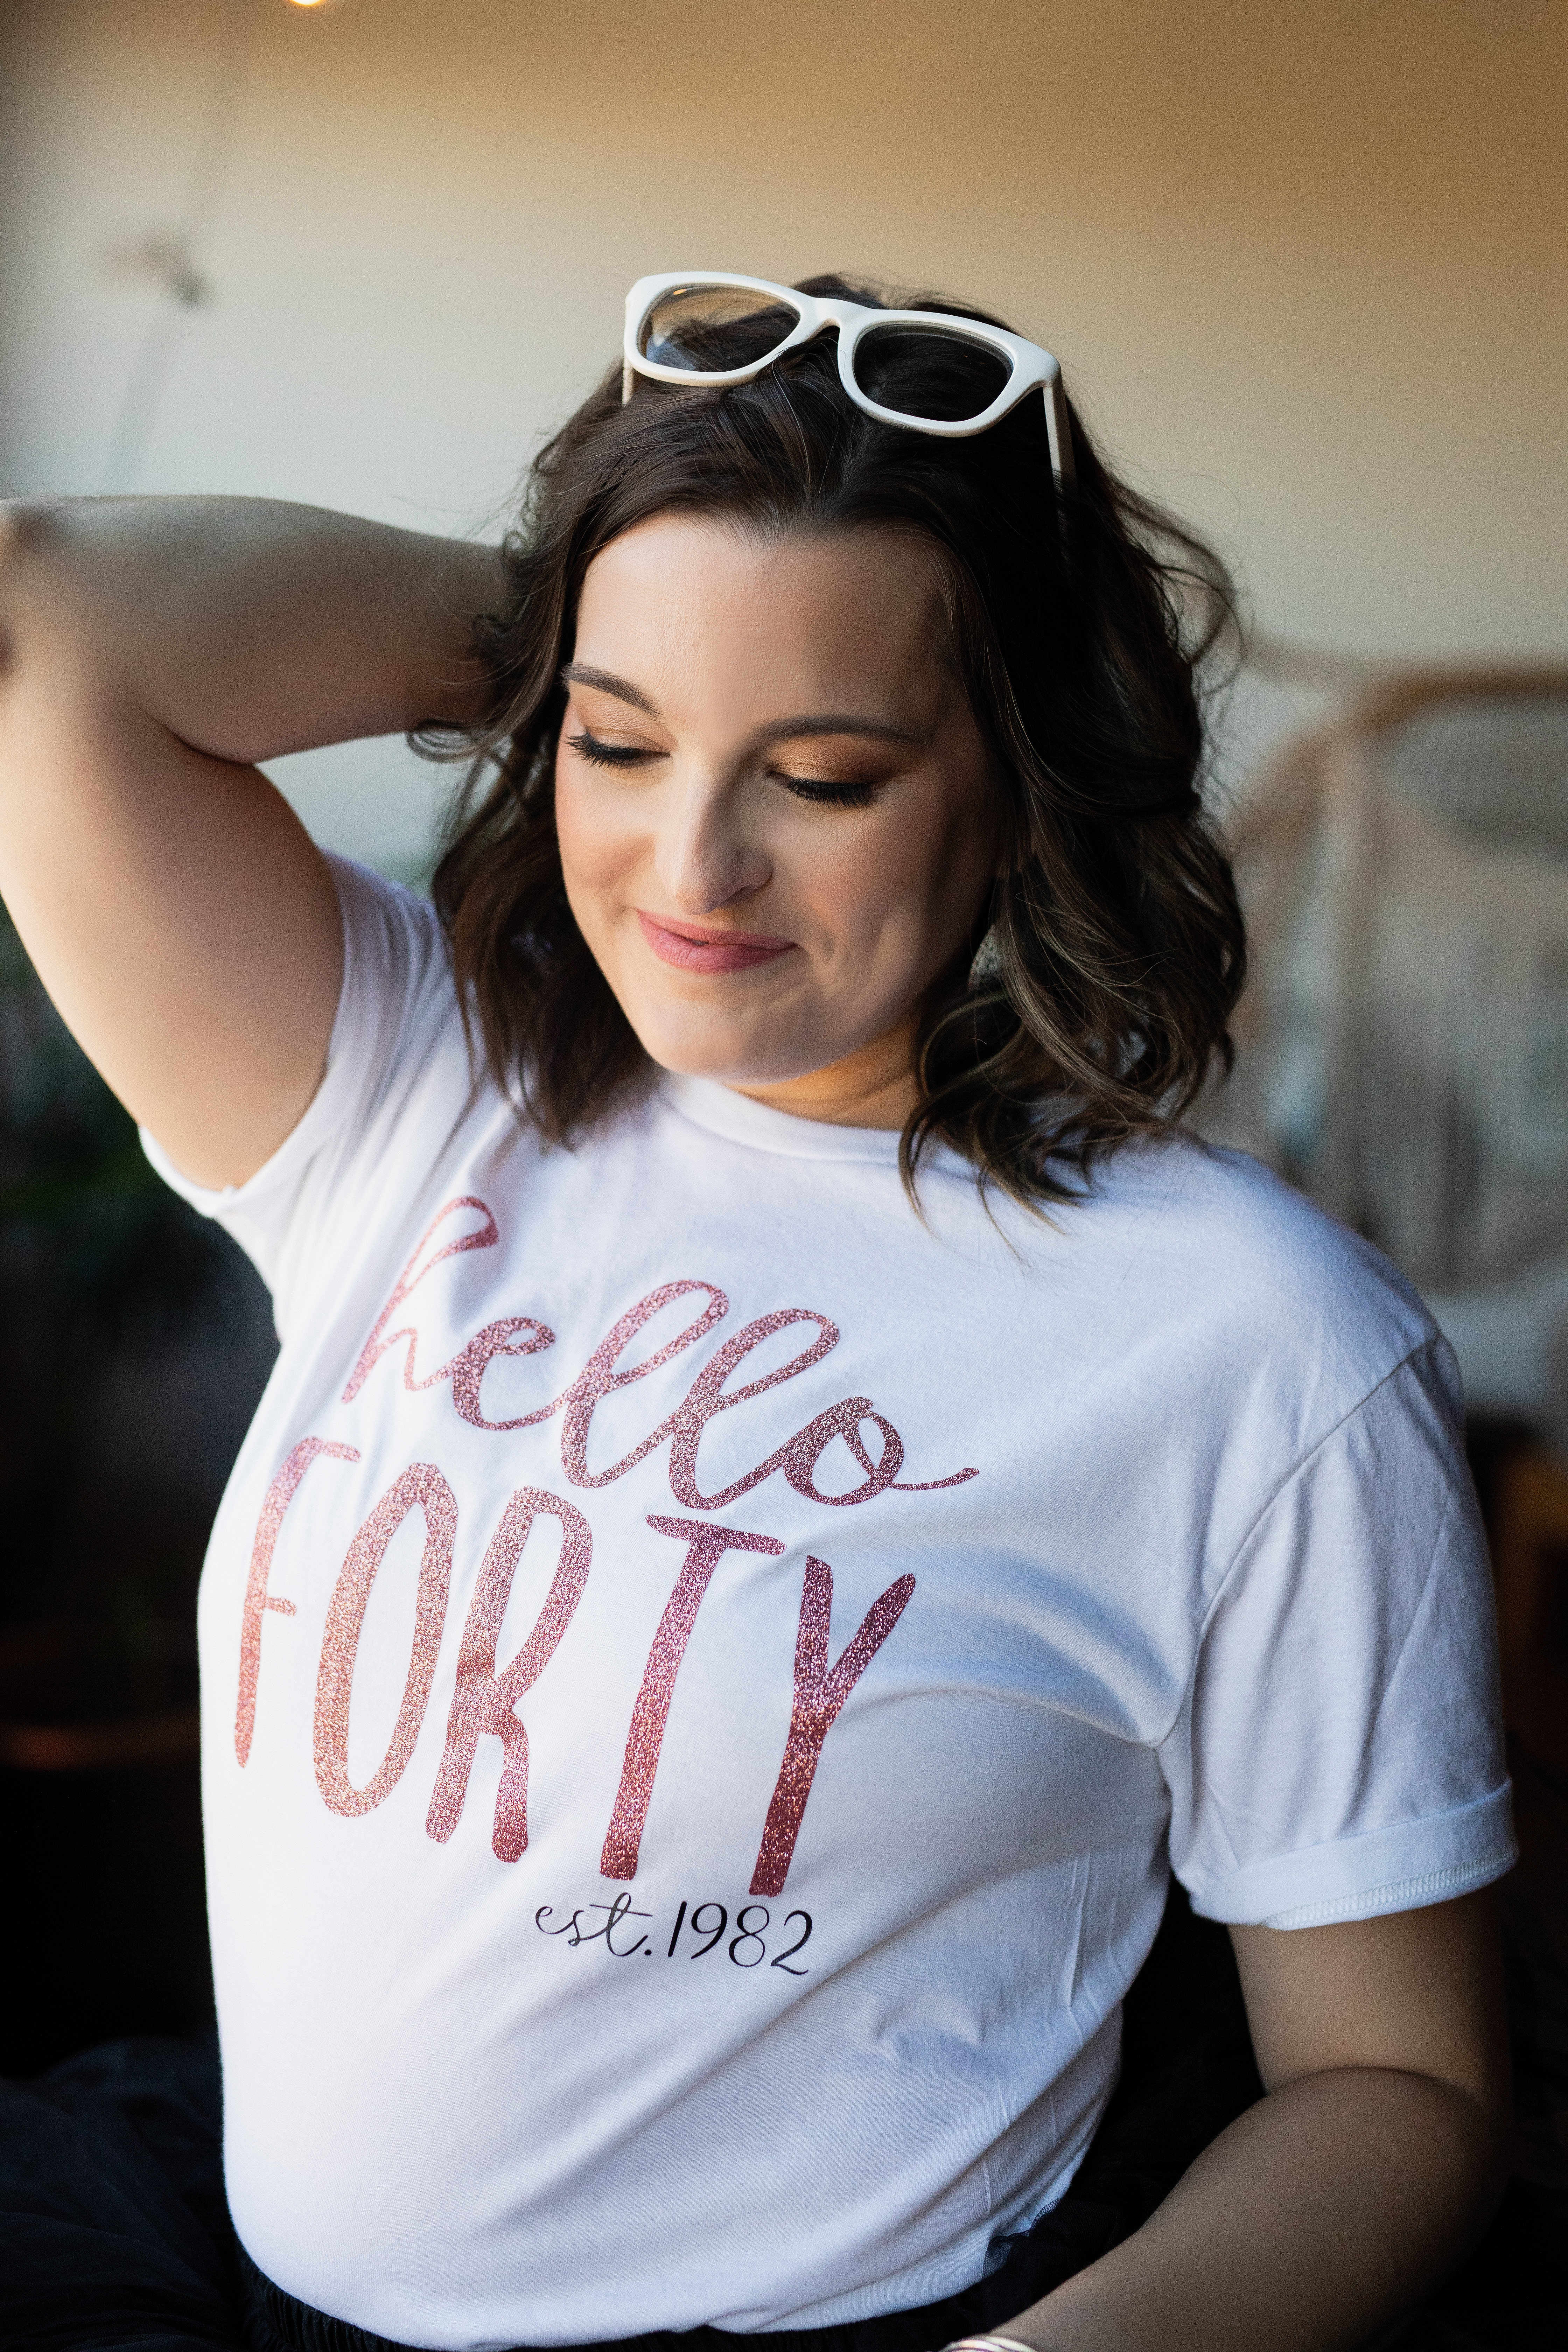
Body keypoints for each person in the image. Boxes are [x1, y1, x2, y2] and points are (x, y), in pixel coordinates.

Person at [0, 274, 1515, 2352]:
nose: (689, 861)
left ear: (1019, 784)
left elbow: (1396, 2083)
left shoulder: (1258, 1346)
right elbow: (48, 622)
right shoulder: (410, 1090)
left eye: (822, 771)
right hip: (223, 2286)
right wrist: (599, 602)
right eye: (617, 744)